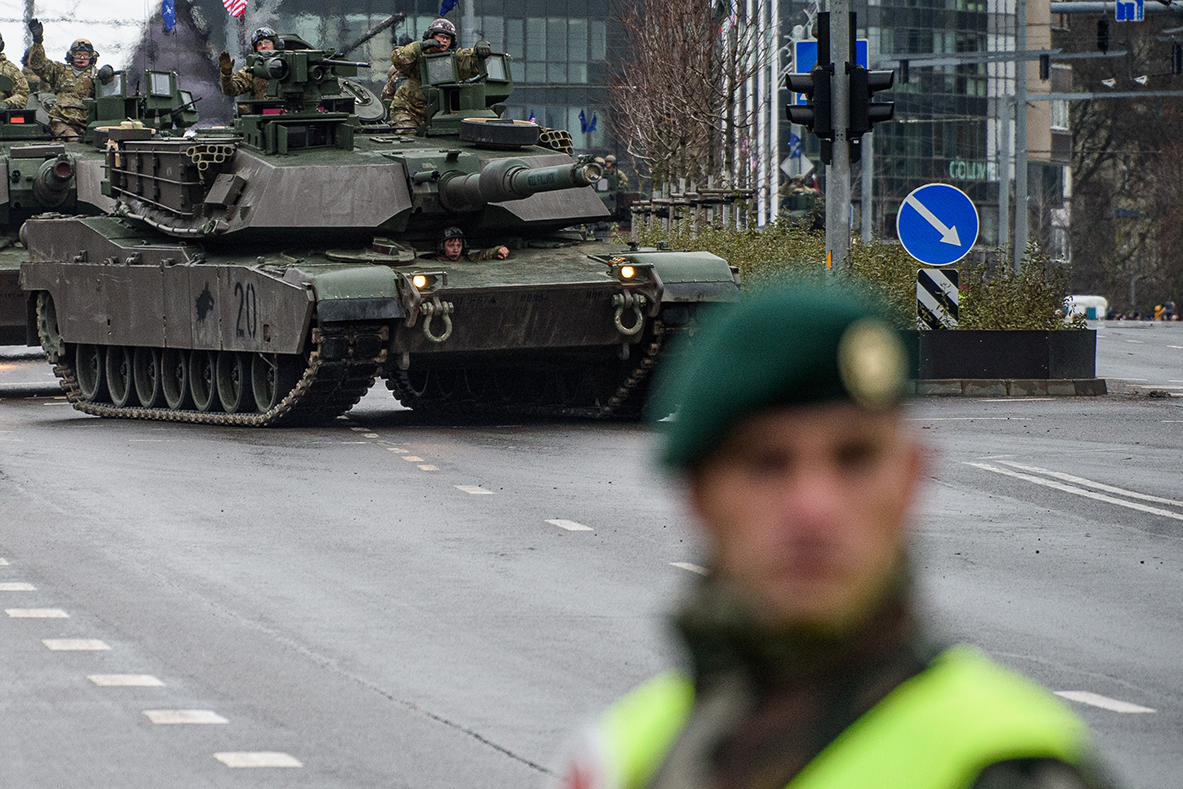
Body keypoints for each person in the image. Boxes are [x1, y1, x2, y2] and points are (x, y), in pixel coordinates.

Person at [549, 284, 1114, 789]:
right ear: (698, 496)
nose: (813, 510)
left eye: (855, 459)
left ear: (911, 478)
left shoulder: (1007, 768)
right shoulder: (623, 759)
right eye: (767, 463)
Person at [383, 18, 477, 133]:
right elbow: (398, 58)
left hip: (438, 114)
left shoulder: (452, 60)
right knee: (407, 139)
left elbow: (469, 64)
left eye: (447, 38)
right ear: (431, 36)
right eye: (441, 36)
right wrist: (420, 46)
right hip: (408, 110)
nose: (444, 40)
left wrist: (479, 51)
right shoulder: (417, 56)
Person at [23, 19, 98, 140]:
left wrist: (108, 75)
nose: (82, 57)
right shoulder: (59, 71)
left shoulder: (97, 75)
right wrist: (37, 41)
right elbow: (38, 65)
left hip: (88, 123)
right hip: (61, 120)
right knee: (73, 142)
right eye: (78, 54)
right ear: (71, 56)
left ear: (92, 57)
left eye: (86, 54)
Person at [220, 27, 282, 101]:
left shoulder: (289, 63)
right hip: (263, 110)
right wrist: (226, 73)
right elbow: (231, 89)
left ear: (275, 44)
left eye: (266, 42)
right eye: (259, 44)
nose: (263, 46)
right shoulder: (253, 70)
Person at [435, 226, 509, 262]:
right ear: (442, 247)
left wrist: (498, 250)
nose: (456, 250)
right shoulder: (436, 261)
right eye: (451, 246)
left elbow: (483, 254)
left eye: (459, 245)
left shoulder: (468, 259)